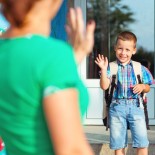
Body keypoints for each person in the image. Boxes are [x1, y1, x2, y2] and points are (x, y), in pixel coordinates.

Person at [0, 0, 95, 155]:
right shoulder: (53, 56)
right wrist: (61, 60)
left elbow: (28, 83)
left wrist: (72, 58)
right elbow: (72, 150)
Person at [95, 31, 154, 155]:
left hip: (136, 107)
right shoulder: (110, 67)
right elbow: (104, 86)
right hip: (117, 108)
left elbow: (148, 87)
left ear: (133, 50)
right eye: (120, 49)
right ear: (115, 48)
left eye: (127, 49)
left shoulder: (139, 68)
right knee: (119, 145)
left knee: (142, 143)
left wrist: (143, 86)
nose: (123, 53)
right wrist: (104, 70)